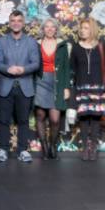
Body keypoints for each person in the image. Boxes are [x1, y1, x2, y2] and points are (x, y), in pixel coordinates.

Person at [0, 10, 40, 163]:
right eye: (13, 20)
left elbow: (36, 63)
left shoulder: (31, 42)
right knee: (4, 120)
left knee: (23, 121)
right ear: (9, 23)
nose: (16, 23)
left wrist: (23, 69)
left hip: (24, 86)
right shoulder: (1, 41)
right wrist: (8, 69)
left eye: (19, 20)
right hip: (5, 86)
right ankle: (3, 149)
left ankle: (22, 150)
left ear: (23, 23)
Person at [70, 17, 105, 162]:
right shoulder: (76, 47)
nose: (82, 30)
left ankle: (93, 148)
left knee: (96, 118)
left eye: (85, 28)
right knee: (84, 118)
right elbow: (72, 70)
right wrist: (71, 90)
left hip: (98, 88)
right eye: (81, 28)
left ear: (92, 29)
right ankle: (85, 147)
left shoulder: (101, 47)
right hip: (82, 88)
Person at [34, 18, 71, 160]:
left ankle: (53, 145)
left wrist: (66, 87)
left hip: (57, 82)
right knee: (40, 115)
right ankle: (44, 147)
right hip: (40, 81)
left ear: (56, 29)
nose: (49, 29)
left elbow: (67, 67)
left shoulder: (62, 45)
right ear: (43, 29)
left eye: (52, 27)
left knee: (55, 119)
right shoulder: (36, 44)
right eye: (47, 27)